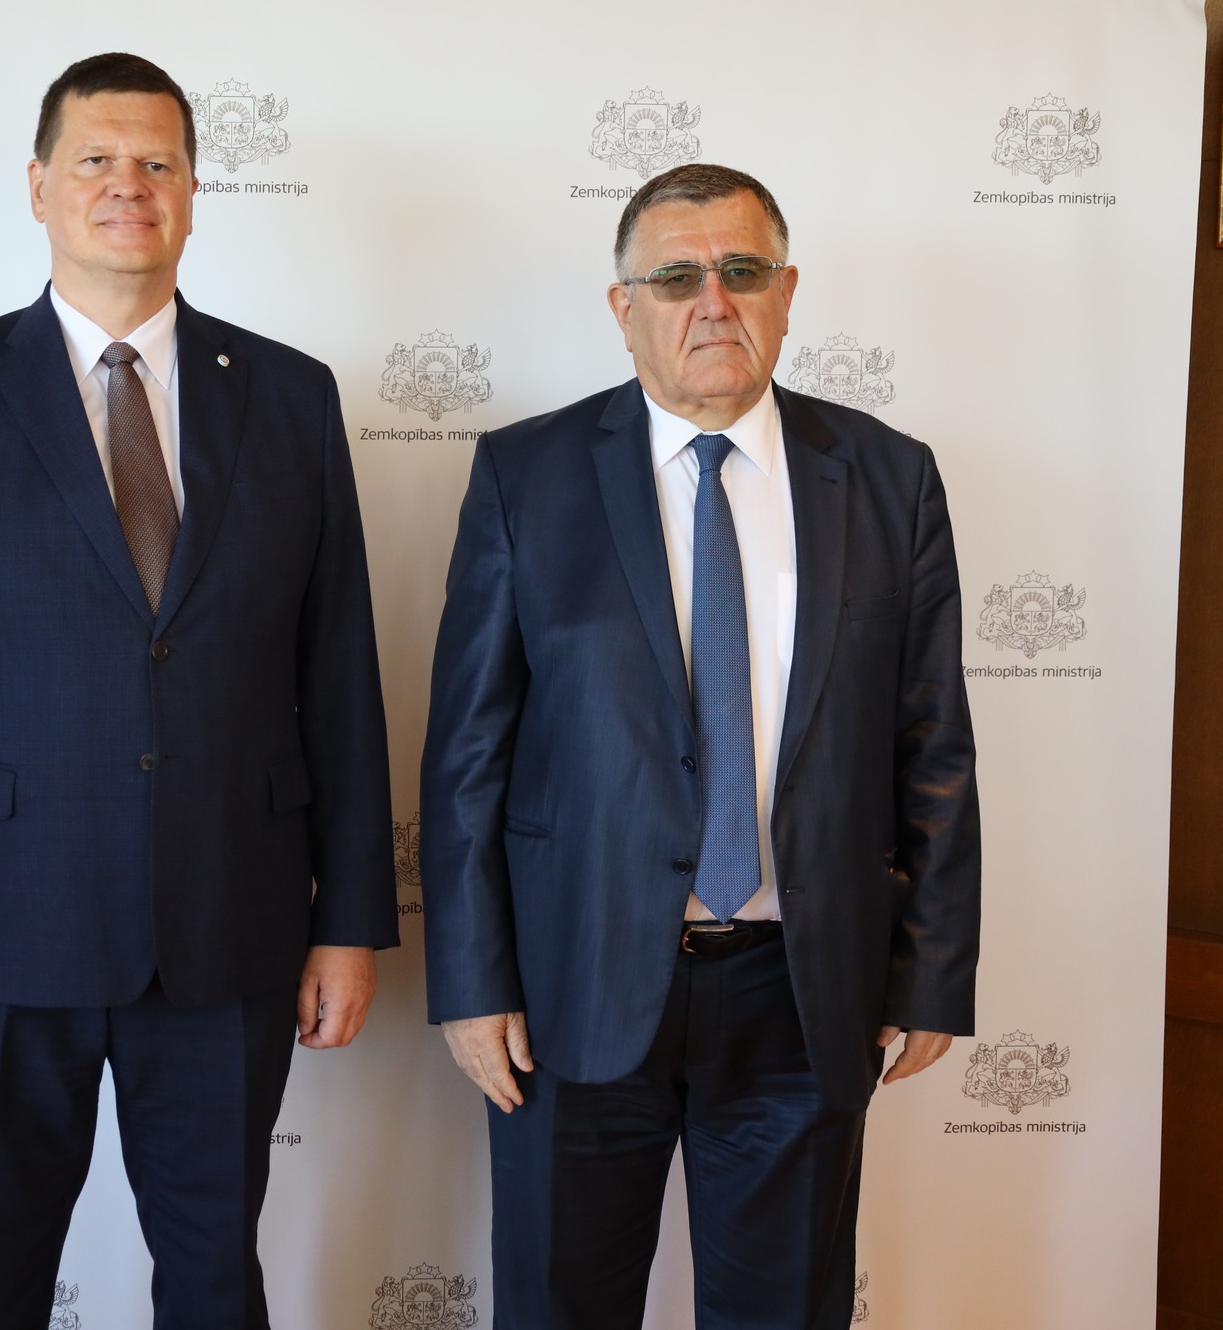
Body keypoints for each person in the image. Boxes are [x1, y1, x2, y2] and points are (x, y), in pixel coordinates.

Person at [0, 52, 397, 1330]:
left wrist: (349, 919)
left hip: (229, 929)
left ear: (192, 192)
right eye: (94, 159)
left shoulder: (290, 396)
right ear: (38, 186)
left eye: (156, 162)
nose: (126, 184)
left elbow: (338, 678)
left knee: (214, 1282)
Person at [419, 163, 980, 1329]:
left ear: (785, 292)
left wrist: (930, 971)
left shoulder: (887, 478)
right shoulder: (525, 475)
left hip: (801, 993)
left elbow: (931, 744)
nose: (711, 301)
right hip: (573, 989)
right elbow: (467, 752)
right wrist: (470, 984)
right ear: (622, 308)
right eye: (675, 277)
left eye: (740, 270)